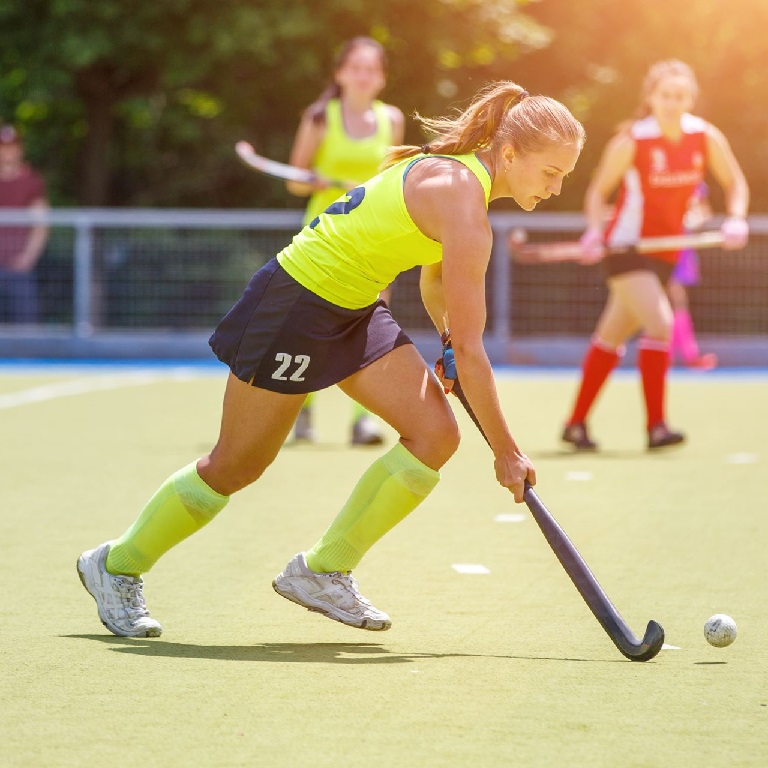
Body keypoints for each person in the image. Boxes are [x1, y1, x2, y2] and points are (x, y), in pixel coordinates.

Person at [77, 80, 585, 638]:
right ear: (510, 153)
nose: (557, 188)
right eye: (551, 173)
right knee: (237, 465)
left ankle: (322, 570)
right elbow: (472, 349)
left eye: (564, 175)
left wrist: (442, 342)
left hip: (355, 307)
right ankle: (115, 565)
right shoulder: (462, 198)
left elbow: (437, 283)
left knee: (435, 435)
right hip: (296, 301)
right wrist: (508, 452)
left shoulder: (464, 184)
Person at [561, 60, 749, 452]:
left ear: (691, 99)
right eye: (665, 95)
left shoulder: (704, 137)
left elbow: (734, 183)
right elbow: (597, 192)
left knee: (611, 335)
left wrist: (735, 218)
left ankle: (575, 424)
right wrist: (595, 230)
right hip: (627, 249)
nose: (672, 103)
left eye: (680, 96)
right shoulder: (633, 140)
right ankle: (657, 427)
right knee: (660, 323)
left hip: (664, 253)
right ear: (651, 97)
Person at [286, 37, 405, 445]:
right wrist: (314, 181)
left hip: (372, 236)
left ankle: (363, 421)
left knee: (370, 326)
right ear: (340, 74)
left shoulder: (392, 119)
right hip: (321, 238)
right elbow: (293, 181)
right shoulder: (320, 117)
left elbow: (393, 179)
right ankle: (300, 415)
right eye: (355, 67)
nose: (363, 75)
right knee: (308, 324)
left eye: (371, 68)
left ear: (382, 78)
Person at [0, 124, 48, 323]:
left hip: (18, 268)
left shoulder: (31, 181)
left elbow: (41, 224)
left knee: (25, 327)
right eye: (3, 146)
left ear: (20, 148)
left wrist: (28, 257)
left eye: (12, 146)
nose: (7, 151)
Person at [668, 182, 717, 370]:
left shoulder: (697, 184)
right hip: (665, 246)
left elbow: (705, 212)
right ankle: (683, 355)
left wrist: (695, 219)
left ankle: (675, 354)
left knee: (678, 301)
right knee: (674, 299)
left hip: (683, 248)